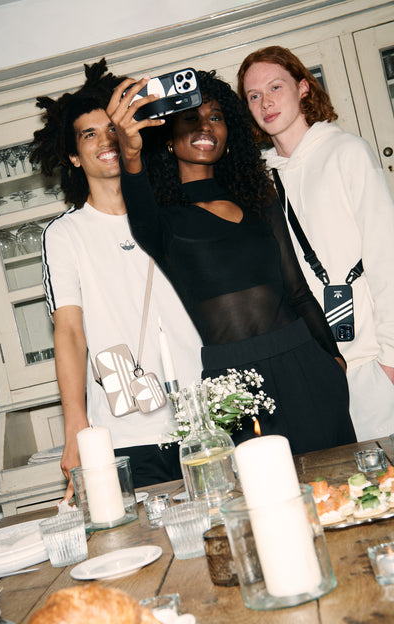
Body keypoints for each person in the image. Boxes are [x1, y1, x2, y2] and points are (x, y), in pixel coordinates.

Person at [107, 69, 357, 455]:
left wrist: (334, 361)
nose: (205, 126)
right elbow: (137, 197)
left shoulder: (259, 197)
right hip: (232, 385)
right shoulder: (160, 220)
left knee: (337, 482)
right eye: (190, 118)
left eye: (216, 117)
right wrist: (128, 149)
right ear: (167, 137)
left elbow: (297, 290)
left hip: (304, 360)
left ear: (229, 133)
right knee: (260, 491)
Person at [29, 59, 202, 496]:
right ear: (73, 156)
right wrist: (76, 426)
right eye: (89, 134)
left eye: (111, 128)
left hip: (203, 410)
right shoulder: (65, 235)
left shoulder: (171, 214)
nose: (105, 140)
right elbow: (69, 331)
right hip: (126, 432)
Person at [237, 45, 394, 442]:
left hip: (374, 359)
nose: (265, 102)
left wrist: (391, 358)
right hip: (318, 368)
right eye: (254, 96)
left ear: (303, 88)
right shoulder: (261, 180)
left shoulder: (346, 152)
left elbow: (386, 254)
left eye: (276, 87)